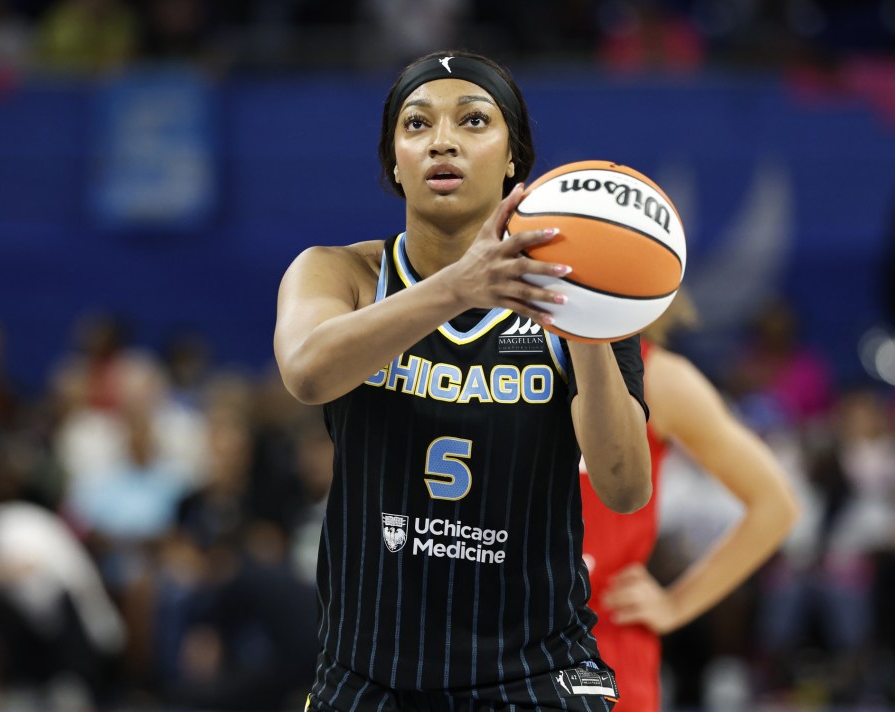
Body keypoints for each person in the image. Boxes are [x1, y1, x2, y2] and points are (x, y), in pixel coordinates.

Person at [273, 50, 652, 711]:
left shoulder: (582, 296)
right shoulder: (342, 274)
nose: (441, 141)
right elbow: (306, 371)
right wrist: (458, 287)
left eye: (473, 120)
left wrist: (584, 324)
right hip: (368, 674)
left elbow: (624, 488)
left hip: (535, 673)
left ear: (513, 159)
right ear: (395, 163)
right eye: (417, 124)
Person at [581, 292, 800, 711]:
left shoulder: (658, 378)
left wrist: (675, 605)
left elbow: (776, 504)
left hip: (600, 642)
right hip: (491, 635)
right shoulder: (488, 366)